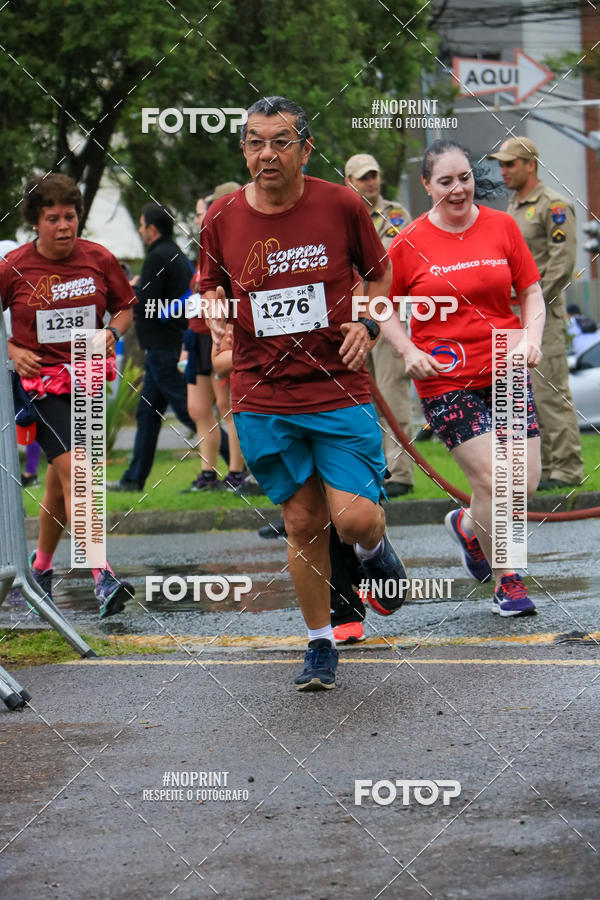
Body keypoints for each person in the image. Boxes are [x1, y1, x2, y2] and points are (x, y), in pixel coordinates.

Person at [201, 96, 408, 690]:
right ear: (243, 148)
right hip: (264, 393)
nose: (267, 154)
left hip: (337, 384)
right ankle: (320, 643)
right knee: (302, 523)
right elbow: (208, 282)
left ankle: (374, 554)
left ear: (306, 148)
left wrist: (366, 325)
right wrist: (215, 309)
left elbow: (380, 274)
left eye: (281, 141)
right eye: (255, 141)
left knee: (355, 518)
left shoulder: (341, 204)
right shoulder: (221, 216)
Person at [384, 139, 545, 616]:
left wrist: (531, 336)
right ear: (427, 185)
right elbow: (382, 307)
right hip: (445, 376)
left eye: (466, 178)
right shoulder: (408, 242)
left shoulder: (502, 227)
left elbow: (531, 292)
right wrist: (407, 349)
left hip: (506, 364)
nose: (458, 190)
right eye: (446, 181)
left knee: (526, 481)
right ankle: (508, 581)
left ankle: (468, 527)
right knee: (500, 479)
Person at [0, 174, 135, 617]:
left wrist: (113, 332)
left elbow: (125, 306)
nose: (64, 226)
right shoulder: (14, 266)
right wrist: (13, 348)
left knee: (62, 482)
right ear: (35, 223)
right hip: (43, 387)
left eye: (70, 216)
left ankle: (39, 572)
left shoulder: (99, 258)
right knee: (79, 474)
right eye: (53, 218)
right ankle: (102, 577)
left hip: (88, 380)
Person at [488, 137, 584, 492]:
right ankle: (542, 468)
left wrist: (533, 301)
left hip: (544, 317)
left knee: (549, 392)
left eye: (510, 164)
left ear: (531, 165)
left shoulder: (554, 206)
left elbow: (562, 263)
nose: (503, 171)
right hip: (512, 317)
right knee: (523, 396)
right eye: (501, 165)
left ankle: (568, 468)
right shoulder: (513, 207)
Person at [108, 202, 196, 492]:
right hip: (165, 346)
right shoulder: (177, 255)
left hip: (163, 348)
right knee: (147, 414)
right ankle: (133, 480)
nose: (140, 231)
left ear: (153, 229)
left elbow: (148, 305)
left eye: (142, 225)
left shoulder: (158, 257)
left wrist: (133, 287)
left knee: (190, 412)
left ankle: (238, 464)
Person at [344, 152, 414, 496]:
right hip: (350, 318)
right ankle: (374, 468)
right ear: (349, 182)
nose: (370, 182)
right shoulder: (341, 215)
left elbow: (399, 263)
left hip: (385, 315)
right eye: (362, 178)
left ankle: (400, 472)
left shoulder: (394, 216)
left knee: (391, 393)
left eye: (373, 175)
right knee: (360, 400)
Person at [183, 183, 248, 492]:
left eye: (204, 212)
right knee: (197, 408)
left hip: (222, 334)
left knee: (228, 407)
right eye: (199, 214)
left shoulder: (235, 241)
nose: (200, 219)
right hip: (197, 334)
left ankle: (237, 471)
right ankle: (207, 472)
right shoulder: (205, 247)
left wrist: (232, 327)